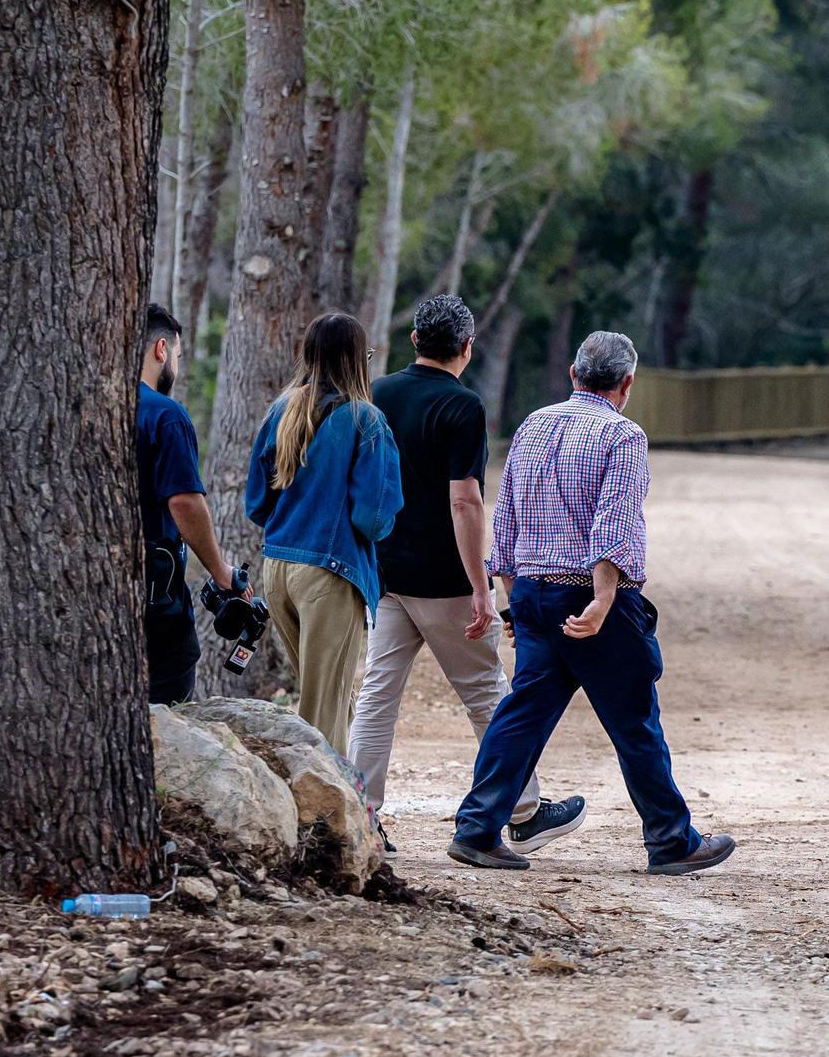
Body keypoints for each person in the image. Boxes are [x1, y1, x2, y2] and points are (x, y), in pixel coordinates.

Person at [447, 330, 734, 874]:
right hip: (591, 600)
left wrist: (515, 601)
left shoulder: (533, 425)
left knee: (525, 711)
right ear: (626, 384)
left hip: (533, 591)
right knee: (634, 719)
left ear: (574, 375)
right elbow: (614, 524)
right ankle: (671, 840)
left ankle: (478, 828)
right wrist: (603, 599)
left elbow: (504, 519)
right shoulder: (622, 436)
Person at [347, 294, 585, 856]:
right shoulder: (462, 407)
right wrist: (482, 585)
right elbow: (465, 502)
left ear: (414, 341)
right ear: (467, 347)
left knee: (377, 696)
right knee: (487, 694)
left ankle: (359, 814)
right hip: (443, 578)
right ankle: (523, 812)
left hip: (385, 572)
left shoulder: (376, 395)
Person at [245, 313, 404, 751]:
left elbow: (258, 504)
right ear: (357, 359)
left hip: (278, 569)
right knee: (324, 708)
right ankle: (329, 816)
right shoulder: (365, 421)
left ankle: (339, 800)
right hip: (329, 574)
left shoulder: (280, 411)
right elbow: (373, 518)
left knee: (327, 699)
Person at [136, 304, 242, 704]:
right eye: (177, 357)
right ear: (161, 349)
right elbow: (184, 502)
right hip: (156, 591)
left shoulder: (93, 404)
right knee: (171, 690)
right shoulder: (166, 416)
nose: (175, 368)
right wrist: (221, 571)